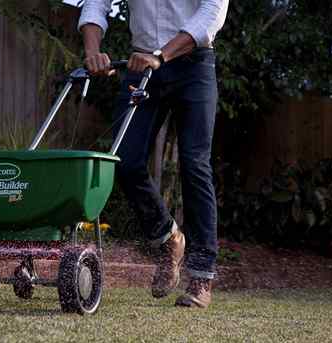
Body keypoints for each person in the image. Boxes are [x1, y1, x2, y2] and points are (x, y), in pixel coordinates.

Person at [79, 0, 229, 308]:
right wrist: (93, 50)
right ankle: (168, 238)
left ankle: (201, 276)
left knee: (194, 163)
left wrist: (162, 55)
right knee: (123, 160)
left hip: (193, 64)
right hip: (141, 64)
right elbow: (95, 4)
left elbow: (213, 11)